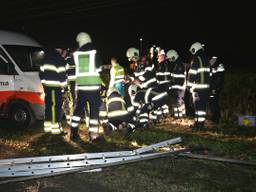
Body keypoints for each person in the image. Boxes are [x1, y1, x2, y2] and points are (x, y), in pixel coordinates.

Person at [70, 32, 103, 141]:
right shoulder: (94, 52)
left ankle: (73, 133)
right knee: (94, 112)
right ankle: (93, 136)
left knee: (78, 111)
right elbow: (99, 69)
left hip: (81, 88)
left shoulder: (76, 54)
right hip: (93, 87)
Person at [39, 48, 67, 135]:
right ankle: (56, 130)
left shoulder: (45, 58)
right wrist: (64, 87)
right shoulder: (58, 58)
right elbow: (62, 74)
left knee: (48, 107)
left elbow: (41, 74)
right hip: (56, 88)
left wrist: (44, 86)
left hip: (47, 88)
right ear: (61, 50)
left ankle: (47, 128)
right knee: (56, 107)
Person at [187, 42, 210, 130]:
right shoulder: (206, 59)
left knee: (198, 107)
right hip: (206, 88)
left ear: (194, 49)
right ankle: (200, 124)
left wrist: (189, 86)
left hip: (198, 88)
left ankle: (198, 126)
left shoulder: (196, 59)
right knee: (202, 108)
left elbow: (192, 74)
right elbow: (209, 74)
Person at [167, 49, 186, 119]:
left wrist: (173, 87)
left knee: (178, 102)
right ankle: (179, 115)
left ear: (173, 56)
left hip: (178, 88)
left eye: (170, 58)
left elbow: (180, 79)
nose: (169, 60)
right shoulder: (177, 64)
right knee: (178, 102)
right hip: (177, 88)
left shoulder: (179, 65)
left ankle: (179, 116)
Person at [209, 56, 225, 124]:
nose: (211, 62)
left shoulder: (219, 67)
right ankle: (214, 117)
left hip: (215, 88)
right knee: (213, 103)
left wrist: (215, 89)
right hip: (214, 88)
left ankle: (216, 118)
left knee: (214, 103)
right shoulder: (215, 67)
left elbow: (217, 78)